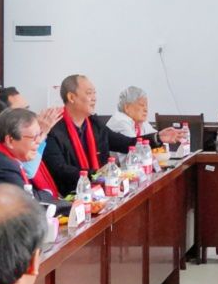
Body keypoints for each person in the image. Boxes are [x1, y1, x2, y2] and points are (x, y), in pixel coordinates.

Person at [44, 74, 179, 195]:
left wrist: (158, 137)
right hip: (72, 197)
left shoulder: (94, 123)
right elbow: (60, 170)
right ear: (71, 97)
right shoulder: (54, 129)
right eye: (89, 93)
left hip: (103, 191)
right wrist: (97, 175)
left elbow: (125, 143)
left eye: (95, 93)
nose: (94, 98)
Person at [0, 106, 64, 208]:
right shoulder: (2, 167)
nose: (39, 141)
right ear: (10, 141)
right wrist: (48, 193)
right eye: (34, 137)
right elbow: (29, 204)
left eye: (40, 135)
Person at [106, 86, 174, 150]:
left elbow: (156, 139)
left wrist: (160, 137)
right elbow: (134, 149)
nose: (146, 109)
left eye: (146, 105)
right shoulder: (120, 121)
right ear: (127, 108)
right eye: (142, 105)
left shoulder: (139, 121)